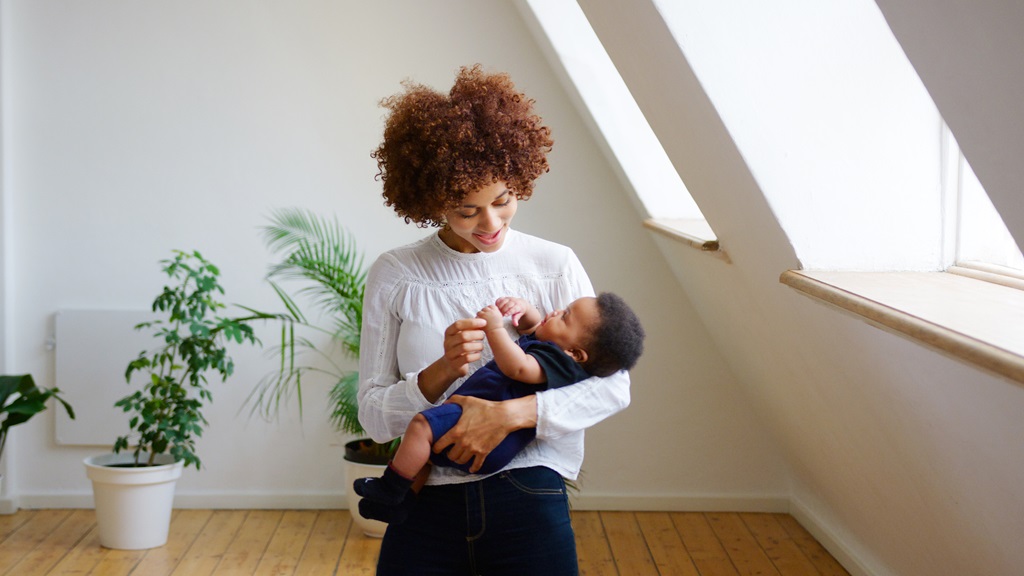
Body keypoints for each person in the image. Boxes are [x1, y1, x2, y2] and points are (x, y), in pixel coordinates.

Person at [358, 64, 633, 575]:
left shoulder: (554, 264)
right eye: (467, 210)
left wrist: (511, 415)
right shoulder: (396, 274)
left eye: (503, 201)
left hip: (528, 491)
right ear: (431, 201)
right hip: (424, 501)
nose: (490, 224)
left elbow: (613, 387)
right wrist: (440, 371)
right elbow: (373, 417)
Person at [354, 293, 645, 522]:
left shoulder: (558, 363)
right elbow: (531, 327)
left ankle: (389, 488)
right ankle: (401, 504)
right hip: (482, 433)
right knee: (425, 457)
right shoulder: (551, 346)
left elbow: (518, 367)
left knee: (420, 427)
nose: (556, 311)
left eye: (565, 316)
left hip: (483, 433)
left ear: (575, 354)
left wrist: (495, 328)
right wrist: (524, 310)